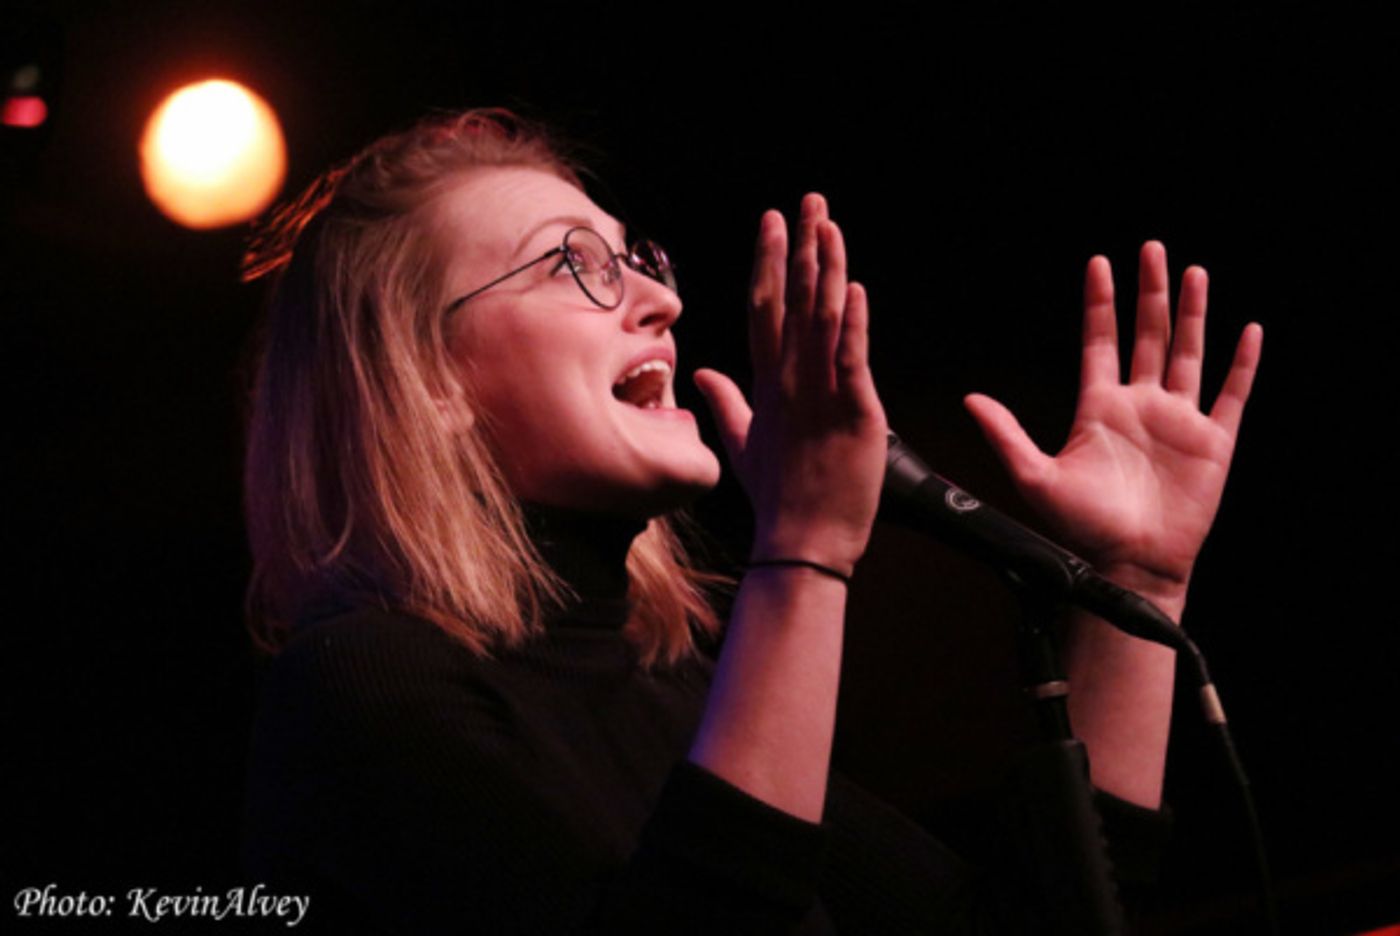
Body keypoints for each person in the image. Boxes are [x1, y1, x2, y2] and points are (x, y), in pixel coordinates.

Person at [240, 108, 1262, 934]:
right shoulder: (362, 684)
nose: (655, 299)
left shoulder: (671, 679)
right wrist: (805, 552)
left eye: (634, 256)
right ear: (425, 382)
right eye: (570, 264)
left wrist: (1135, 578)